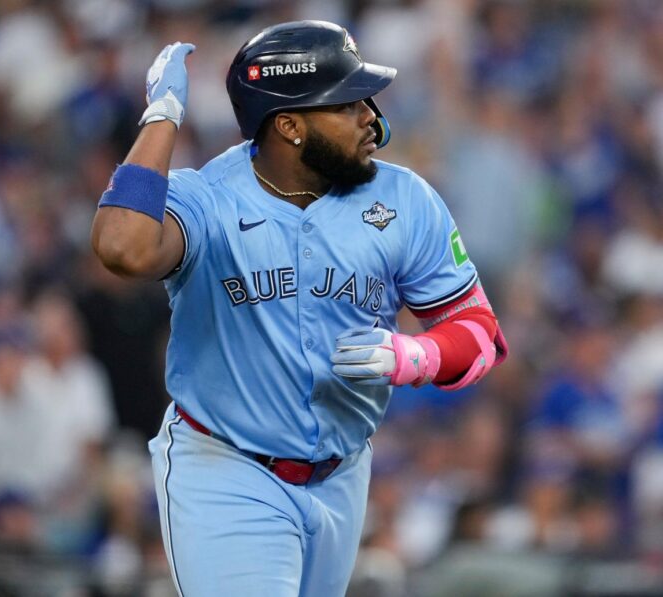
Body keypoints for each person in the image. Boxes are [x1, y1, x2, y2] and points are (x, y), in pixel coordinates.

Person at [90, 20, 510, 596]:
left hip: (342, 475)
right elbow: (122, 247)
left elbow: (481, 335)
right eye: (347, 104)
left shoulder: (405, 200)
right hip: (228, 468)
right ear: (289, 126)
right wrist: (163, 115)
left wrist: (416, 356)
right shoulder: (208, 199)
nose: (370, 118)